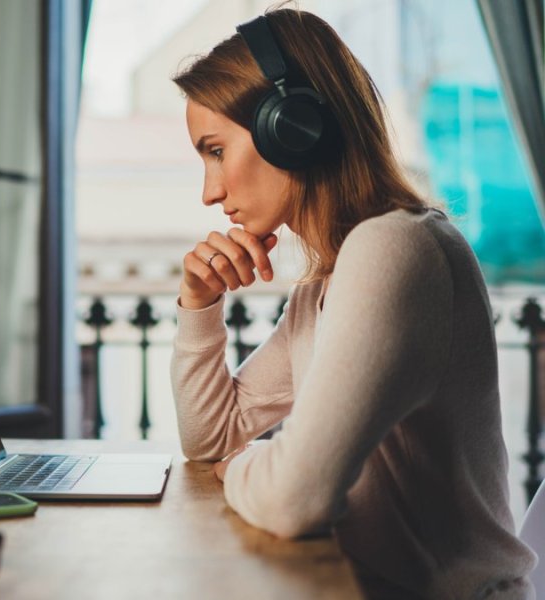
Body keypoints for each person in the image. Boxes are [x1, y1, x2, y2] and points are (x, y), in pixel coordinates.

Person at [169, 7, 536, 599]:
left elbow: (294, 499)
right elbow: (213, 436)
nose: (210, 191)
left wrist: (239, 470)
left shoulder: (397, 247)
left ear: (292, 126)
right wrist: (198, 304)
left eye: (215, 151)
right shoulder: (326, 287)